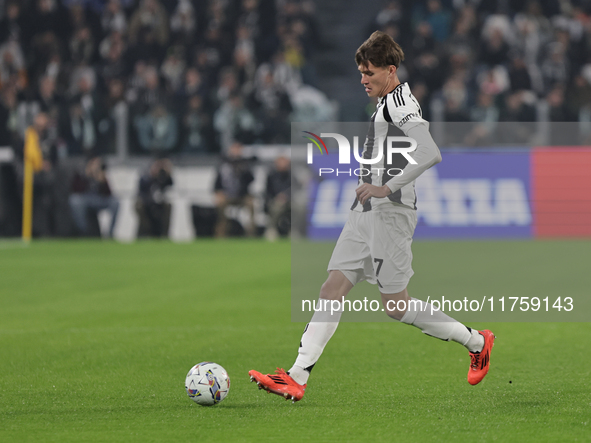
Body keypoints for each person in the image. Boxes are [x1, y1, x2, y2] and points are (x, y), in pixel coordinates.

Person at [249, 31, 495, 402]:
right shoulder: (385, 102)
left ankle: (477, 341)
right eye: (361, 72)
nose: (363, 79)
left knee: (396, 306)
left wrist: (387, 187)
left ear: (390, 71)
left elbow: (430, 151)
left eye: (370, 72)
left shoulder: (399, 103)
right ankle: (296, 376)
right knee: (331, 288)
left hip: (391, 214)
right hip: (364, 213)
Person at [213, 142, 256, 237]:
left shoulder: (245, 163)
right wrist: (218, 193)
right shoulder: (223, 164)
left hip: (242, 196)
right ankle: (221, 233)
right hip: (227, 196)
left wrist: (244, 169)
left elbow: (251, 180)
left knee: (251, 204)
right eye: (234, 149)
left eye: (238, 149)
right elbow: (216, 184)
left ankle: (251, 234)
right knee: (220, 206)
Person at [69, 156, 119, 238]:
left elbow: (109, 194)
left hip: (99, 199)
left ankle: (110, 233)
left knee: (115, 202)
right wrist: (87, 175)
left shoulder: (101, 175)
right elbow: (76, 189)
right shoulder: (81, 173)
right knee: (75, 200)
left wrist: (102, 180)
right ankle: (83, 231)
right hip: (85, 199)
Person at [136, 158, 173, 237]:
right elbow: (143, 189)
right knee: (140, 207)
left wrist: (168, 173)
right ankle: (144, 234)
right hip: (145, 202)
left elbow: (170, 184)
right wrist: (153, 176)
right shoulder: (146, 177)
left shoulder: (161, 178)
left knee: (168, 206)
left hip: (158, 203)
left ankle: (164, 235)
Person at [264, 155, 291, 241]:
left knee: (300, 207)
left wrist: (286, 196)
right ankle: (272, 229)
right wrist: (277, 197)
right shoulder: (272, 176)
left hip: (290, 201)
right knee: (276, 207)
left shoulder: (291, 175)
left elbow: (295, 189)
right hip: (275, 201)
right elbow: (268, 192)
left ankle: (294, 230)